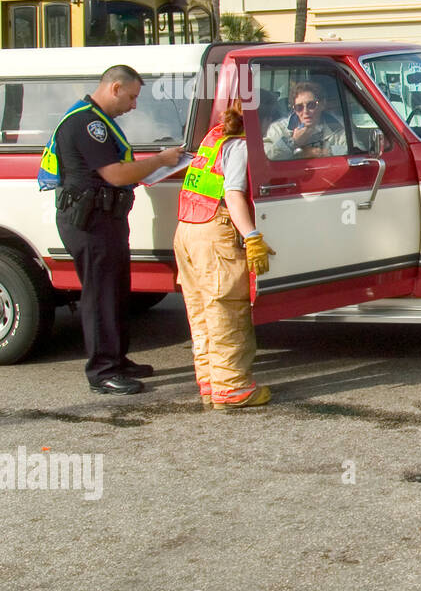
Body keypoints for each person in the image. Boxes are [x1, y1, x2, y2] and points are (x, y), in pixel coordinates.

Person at [37, 65, 183, 394]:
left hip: (105, 217)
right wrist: (160, 160)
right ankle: (102, 371)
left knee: (116, 291)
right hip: (90, 220)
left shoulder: (100, 121)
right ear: (115, 88)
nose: (133, 105)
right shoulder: (88, 123)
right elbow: (115, 175)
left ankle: (116, 358)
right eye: (131, 97)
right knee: (100, 295)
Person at [174, 103, 275, 409]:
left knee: (202, 312)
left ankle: (210, 382)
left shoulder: (214, 137)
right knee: (227, 310)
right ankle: (233, 389)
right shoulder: (241, 145)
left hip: (187, 229)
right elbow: (232, 193)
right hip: (215, 233)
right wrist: (252, 236)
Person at [262, 81, 348, 160]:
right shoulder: (278, 129)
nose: (305, 111)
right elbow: (266, 158)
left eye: (311, 105)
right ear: (294, 110)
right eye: (299, 107)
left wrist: (321, 152)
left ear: (322, 104)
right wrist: (293, 142)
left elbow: (355, 151)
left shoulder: (337, 125)